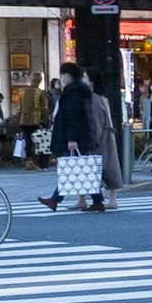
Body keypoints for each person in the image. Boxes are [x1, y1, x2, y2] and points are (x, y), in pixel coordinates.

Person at [42, 61, 103, 212]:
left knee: (71, 170)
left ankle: (55, 200)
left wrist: (72, 139)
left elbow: (74, 117)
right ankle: (97, 201)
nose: (62, 77)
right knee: (82, 170)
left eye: (64, 74)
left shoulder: (73, 94)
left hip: (74, 137)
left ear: (70, 76)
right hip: (78, 136)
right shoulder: (76, 91)